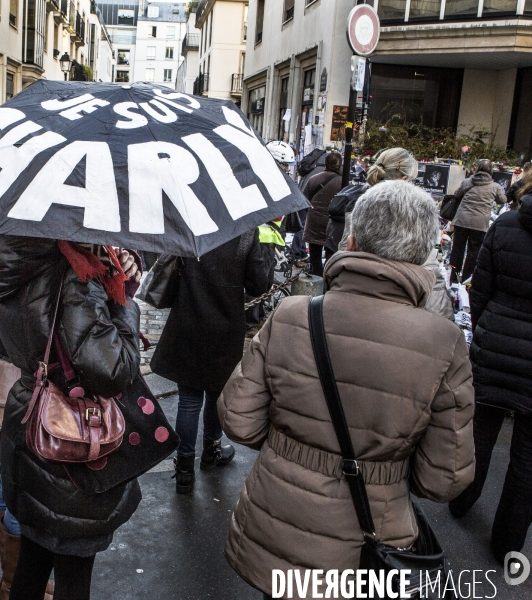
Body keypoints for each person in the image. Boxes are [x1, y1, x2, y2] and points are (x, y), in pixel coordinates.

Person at [218, 180, 475, 599]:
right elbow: (442, 479)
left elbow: (238, 421)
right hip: (369, 539)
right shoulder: (445, 343)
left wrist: (295, 447)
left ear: (351, 241)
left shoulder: (292, 314)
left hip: (278, 520)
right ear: (424, 255)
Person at [0, 229, 143, 600]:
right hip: (73, 442)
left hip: (28, 418)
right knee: (73, 575)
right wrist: (123, 300)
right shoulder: (76, 272)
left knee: (31, 565)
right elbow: (114, 370)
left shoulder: (4, 251)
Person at [150, 231, 269, 494]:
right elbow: (259, 284)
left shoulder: (193, 226)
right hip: (224, 325)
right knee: (217, 394)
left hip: (189, 319)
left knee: (189, 399)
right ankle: (211, 452)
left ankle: (183, 469)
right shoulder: (245, 234)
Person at [449, 193, 532, 564]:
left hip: (496, 343)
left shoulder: (506, 224)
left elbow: (479, 289)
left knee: (479, 433)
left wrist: (483, 330)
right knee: (527, 460)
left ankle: (462, 500)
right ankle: (509, 541)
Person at [326, 147, 418, 253]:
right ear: (404, 179)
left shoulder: (360, 200)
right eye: (412, 181)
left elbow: (345, 249)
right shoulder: (407, 211)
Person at [449, 159, 506, 283]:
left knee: (457, 250)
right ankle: (466, 281)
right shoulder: (495, 186)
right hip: (480, 224)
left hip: (462, 221)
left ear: (477, 169)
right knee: (473, 253)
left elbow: (456, 194)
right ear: (491, 171)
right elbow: (503, 200)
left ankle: (454, 278)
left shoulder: (468, 182)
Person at [302, 152, 343, 277]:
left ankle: (316, 279)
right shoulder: (343, 182)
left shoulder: (314, 179)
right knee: (332, 254)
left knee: (315, 255)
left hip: (315, 222)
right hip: (333, 224)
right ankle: (328, 280)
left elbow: (305, 200)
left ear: (325, 163)